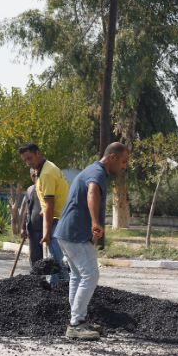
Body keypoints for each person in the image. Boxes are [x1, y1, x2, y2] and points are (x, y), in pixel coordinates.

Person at [53, 142, 129, 340]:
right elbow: (92, 191)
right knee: (90, 275)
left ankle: (80, 320)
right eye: (123, 161)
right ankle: (76, 324)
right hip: (74, 234)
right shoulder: (97, 173)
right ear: (112, 157)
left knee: (78, 277)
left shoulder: (93, 170)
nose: (124, 166)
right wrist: (95, 222)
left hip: (67, 232)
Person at [18, 142, 69, 284]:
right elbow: (48, 201)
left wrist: (46, 233)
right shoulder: (43, 170)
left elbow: (49, 205)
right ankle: (64, 286)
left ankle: (59, 287)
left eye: (30, 158)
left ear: (38, 153)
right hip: (58, 218)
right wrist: (44, 210)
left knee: (54, 260)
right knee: (55, 259)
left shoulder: (46, 174)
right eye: (25, 160)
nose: (28, 162)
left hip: (58, 220)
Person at [20, 168, 44, 268]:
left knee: (47, 260)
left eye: (37, 175)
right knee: (35, 261)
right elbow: (27, 210)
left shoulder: (46, 188)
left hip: (45, 231)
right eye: (33, 176)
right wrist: (23, 228)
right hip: (32, 231)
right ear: (31, 177)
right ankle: (36, 281)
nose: (35, 177)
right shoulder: (30, 190)